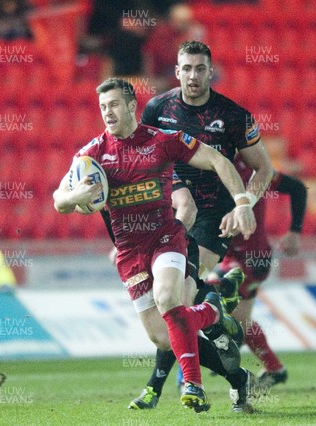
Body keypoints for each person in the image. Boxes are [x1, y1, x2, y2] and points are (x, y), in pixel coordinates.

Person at [53, 78, 256, 412]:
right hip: (130, 253)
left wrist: (242, 202)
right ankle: (216, 315)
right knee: (163, 337)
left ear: (132, 105)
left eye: (115, 104)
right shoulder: (93, 155)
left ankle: (193, 385)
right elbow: (59, 200)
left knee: (167, 298)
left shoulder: (162, 141)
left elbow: (218, 159)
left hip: (166, 238)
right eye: (103, 107)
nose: (108, 112)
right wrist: (77, 196)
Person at [130, 40, 274, 409]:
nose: (193, 75)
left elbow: (265, 168)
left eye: (200, 69)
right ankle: (218, 317)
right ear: (176, 71)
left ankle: (162, 384)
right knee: (179, 303)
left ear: (211, 72)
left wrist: (245, 206)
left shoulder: (233, 115)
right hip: (169, 214)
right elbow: (142, 156)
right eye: (187, 68)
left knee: (176, 301)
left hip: (213, 218)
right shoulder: (158, 108)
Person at [213, 158, 307, 390]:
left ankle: (224, 349)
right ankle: (274, 369)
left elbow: (297, 188)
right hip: (231, 256)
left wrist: (294, 232)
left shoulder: (255, 170)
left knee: (213, 291)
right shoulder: (206, 164)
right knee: (241, 322)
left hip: (252, 259)